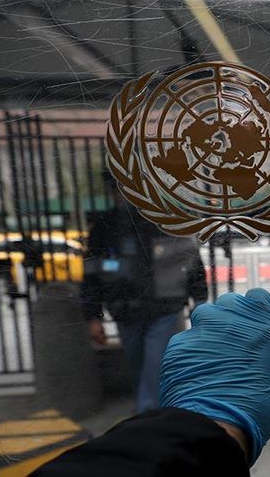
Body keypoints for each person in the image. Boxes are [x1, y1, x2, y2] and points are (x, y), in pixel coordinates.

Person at [33, 288, 270, 476]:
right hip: (129, 307)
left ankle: (152, 411)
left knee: (149, 371)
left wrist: (194, 420)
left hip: (159, 307)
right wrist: (217, 423)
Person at [81, 177, 207, 414]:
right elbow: (91, 275)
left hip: (163, 309)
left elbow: (192, 265)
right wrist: (93, 316)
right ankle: (153, 406)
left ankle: (148, 413)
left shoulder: (168, 221)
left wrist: (199, 301)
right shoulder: (105, 227)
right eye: (119, 190)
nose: (124, 196)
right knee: (140, 365)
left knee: (155, 363)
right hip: (125, 310)